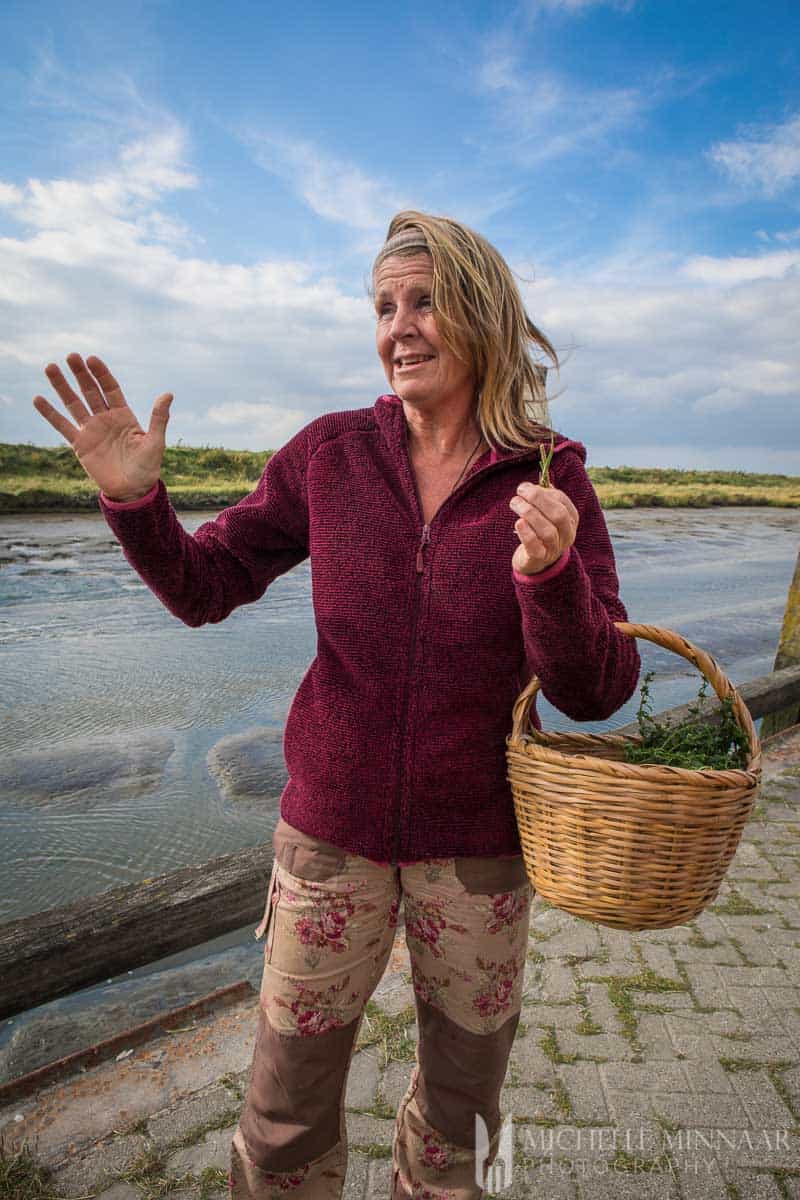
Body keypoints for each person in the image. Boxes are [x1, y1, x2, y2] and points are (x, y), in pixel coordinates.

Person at [33, 210, 640, 1199]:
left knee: (458, 1120)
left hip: (478, 850)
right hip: (329, 844)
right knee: (281, 1118)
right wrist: (138, 506)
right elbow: (204, 587)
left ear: (481, 314)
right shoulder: (329, 454)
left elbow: (596, 691)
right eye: (382, 306)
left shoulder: (549, 474)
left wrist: (552, 575)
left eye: (424, 302)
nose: (398, 327)